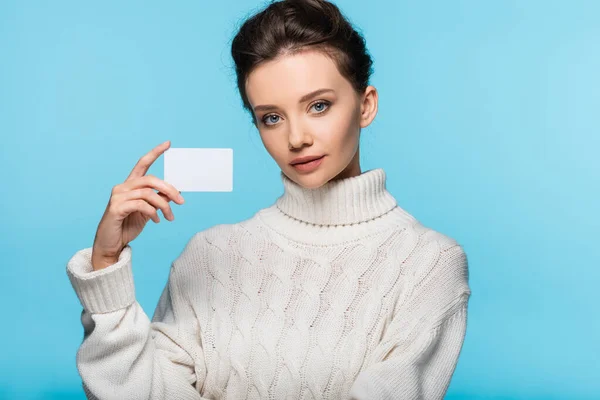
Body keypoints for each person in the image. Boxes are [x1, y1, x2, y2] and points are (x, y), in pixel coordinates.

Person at [66, 0, 472, 399]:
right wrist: (107, 266)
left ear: (365, 106)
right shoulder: (209, 254)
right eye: (271, 117)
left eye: (319, 105)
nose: (296, 138)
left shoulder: (428, 263)